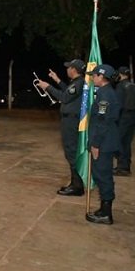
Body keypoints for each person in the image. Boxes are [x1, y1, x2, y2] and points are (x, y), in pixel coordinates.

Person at [36, 59, 86, 196]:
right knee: (70, 152)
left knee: (71, 152)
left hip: (72, 121)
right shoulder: (76, 82)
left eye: (69, 67)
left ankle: (77, 186)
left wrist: (47, 87)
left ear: (74, 69)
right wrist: (57, 80)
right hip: (69, 120)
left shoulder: (79, 83)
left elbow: (64, 97)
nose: (67, 69)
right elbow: (67, 92)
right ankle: (75, 183)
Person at [85, 64, 120, 224]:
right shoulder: (105, 92)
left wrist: (96, 144)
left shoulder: (105, 95)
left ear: (101, 76)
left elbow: (103, 122)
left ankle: (106, 214)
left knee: (103, 176)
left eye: (94, 75)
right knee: (101, 174)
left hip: (104, 143)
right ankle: (104, 209)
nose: (92, 78)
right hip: (105, 141)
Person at [114, 66, 135, 176]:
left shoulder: (121, 86)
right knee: (127, 142)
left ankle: (122, 167)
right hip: (132, 117)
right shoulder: (132, 85)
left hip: (123, 117)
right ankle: (126, 166)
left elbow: (118, 104)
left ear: (121, 74)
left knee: (120, 142)